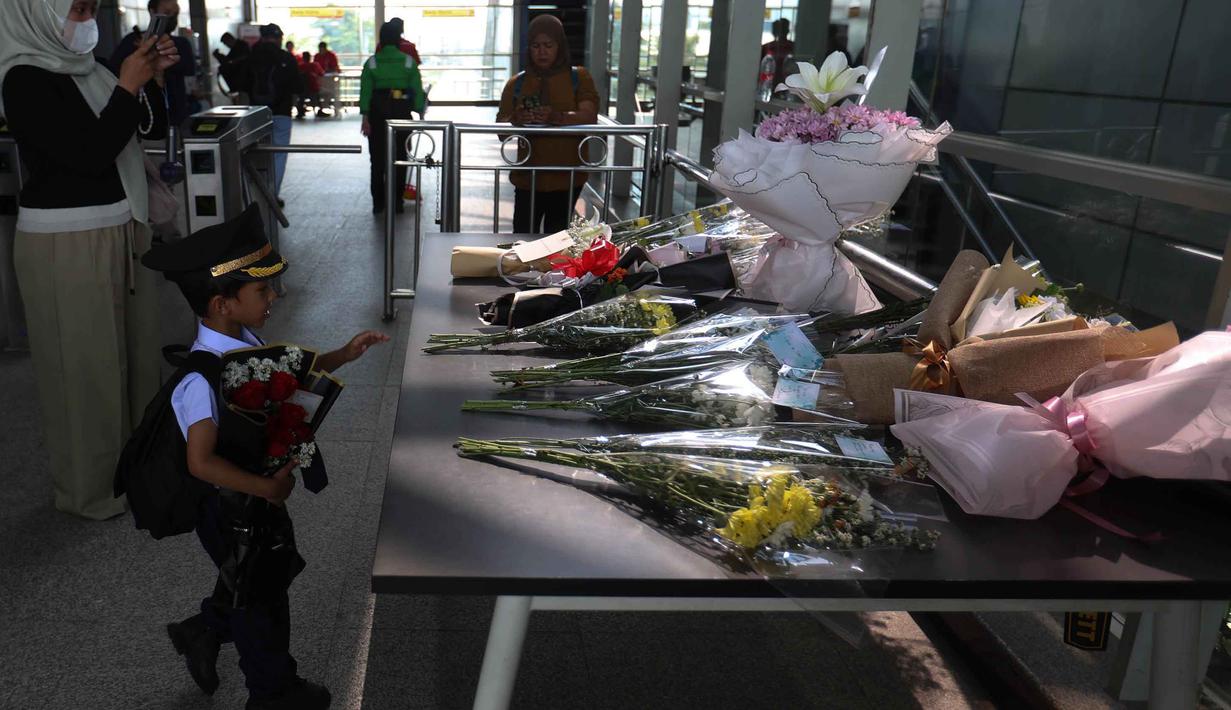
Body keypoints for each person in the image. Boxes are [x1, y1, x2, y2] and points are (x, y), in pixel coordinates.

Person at [140, 204, 389, 710]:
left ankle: (205, 629)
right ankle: (272, 692)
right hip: (228, 502)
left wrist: (341, 355)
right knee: (261, 597)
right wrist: (269, 488)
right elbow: (201, 463)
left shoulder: (242, 342)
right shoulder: (199, 381)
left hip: (249, 499)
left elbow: (279, 370)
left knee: (253, 575)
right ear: (221, 303)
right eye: (262, 290)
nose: (274, 296)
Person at [0, 0, 177, 519]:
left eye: (92, 9)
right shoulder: (22, 79)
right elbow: (88, 154)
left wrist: (153, 82)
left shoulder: (90, 70)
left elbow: (140, 129)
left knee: (135, 360)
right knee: (85, 374)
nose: (87, 21)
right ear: (35, 12)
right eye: (76, 9)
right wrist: (126, 85)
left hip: (121, 227)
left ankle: (136, 468)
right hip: (66, 242)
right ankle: (92, 489)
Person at [496, 14, 599, 234]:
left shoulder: (579, 78)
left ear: (559, 46)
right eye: (535, 46)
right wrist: (516, 119)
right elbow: (501, 130)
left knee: (557, 240)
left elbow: (589, 116)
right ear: (529, 48)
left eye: (548, 45)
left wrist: (557, 117)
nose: (542, 52)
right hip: (528, 179)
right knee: (523, 238)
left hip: (567, 178)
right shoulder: (517, 83)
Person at [360, 21, 425, 214]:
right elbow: (417, 91)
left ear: (381, 38)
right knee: (400, 158)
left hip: (377, 115)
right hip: (402, 114)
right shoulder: (408, 62)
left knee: (377, 160)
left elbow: (365, 92)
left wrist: (365, 118)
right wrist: (419, 110)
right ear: (398, 39)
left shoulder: (371, 62)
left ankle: (378, 203)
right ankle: (397, 202)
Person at [109, 0, 196, 126]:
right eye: (167, 13)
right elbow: (113, 72)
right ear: (152, 12)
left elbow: (189, 76)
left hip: (176, 116)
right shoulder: (132, 41)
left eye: (175, 14)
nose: (171, 18)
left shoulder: (181, 44)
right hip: (142, 118)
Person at [242, 24, 302, 198]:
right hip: (282, 112)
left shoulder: (251, 57)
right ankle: (271, 196)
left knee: (256, 155)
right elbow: (298, 86)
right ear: (280, 38)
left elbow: (242, 84)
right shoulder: (286, 58)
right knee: (279, 155)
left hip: (256, 115)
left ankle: (255, 194)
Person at [761, 18, 795, 88]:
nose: (781, 32)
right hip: (769, 83)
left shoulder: (793, 47)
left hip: (788, 84)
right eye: (778, 29)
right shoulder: (767, 47)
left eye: (783, 29)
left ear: (787, 31)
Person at [295, 51, 323, 119]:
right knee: (317, 93)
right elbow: (321, 73)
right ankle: (320, 110)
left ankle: (300, 111)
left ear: (303, 58)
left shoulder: (299, 66)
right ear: (310, 57)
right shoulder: (315, 65)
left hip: (302, 90)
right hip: (313, 88)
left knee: (301, 95)